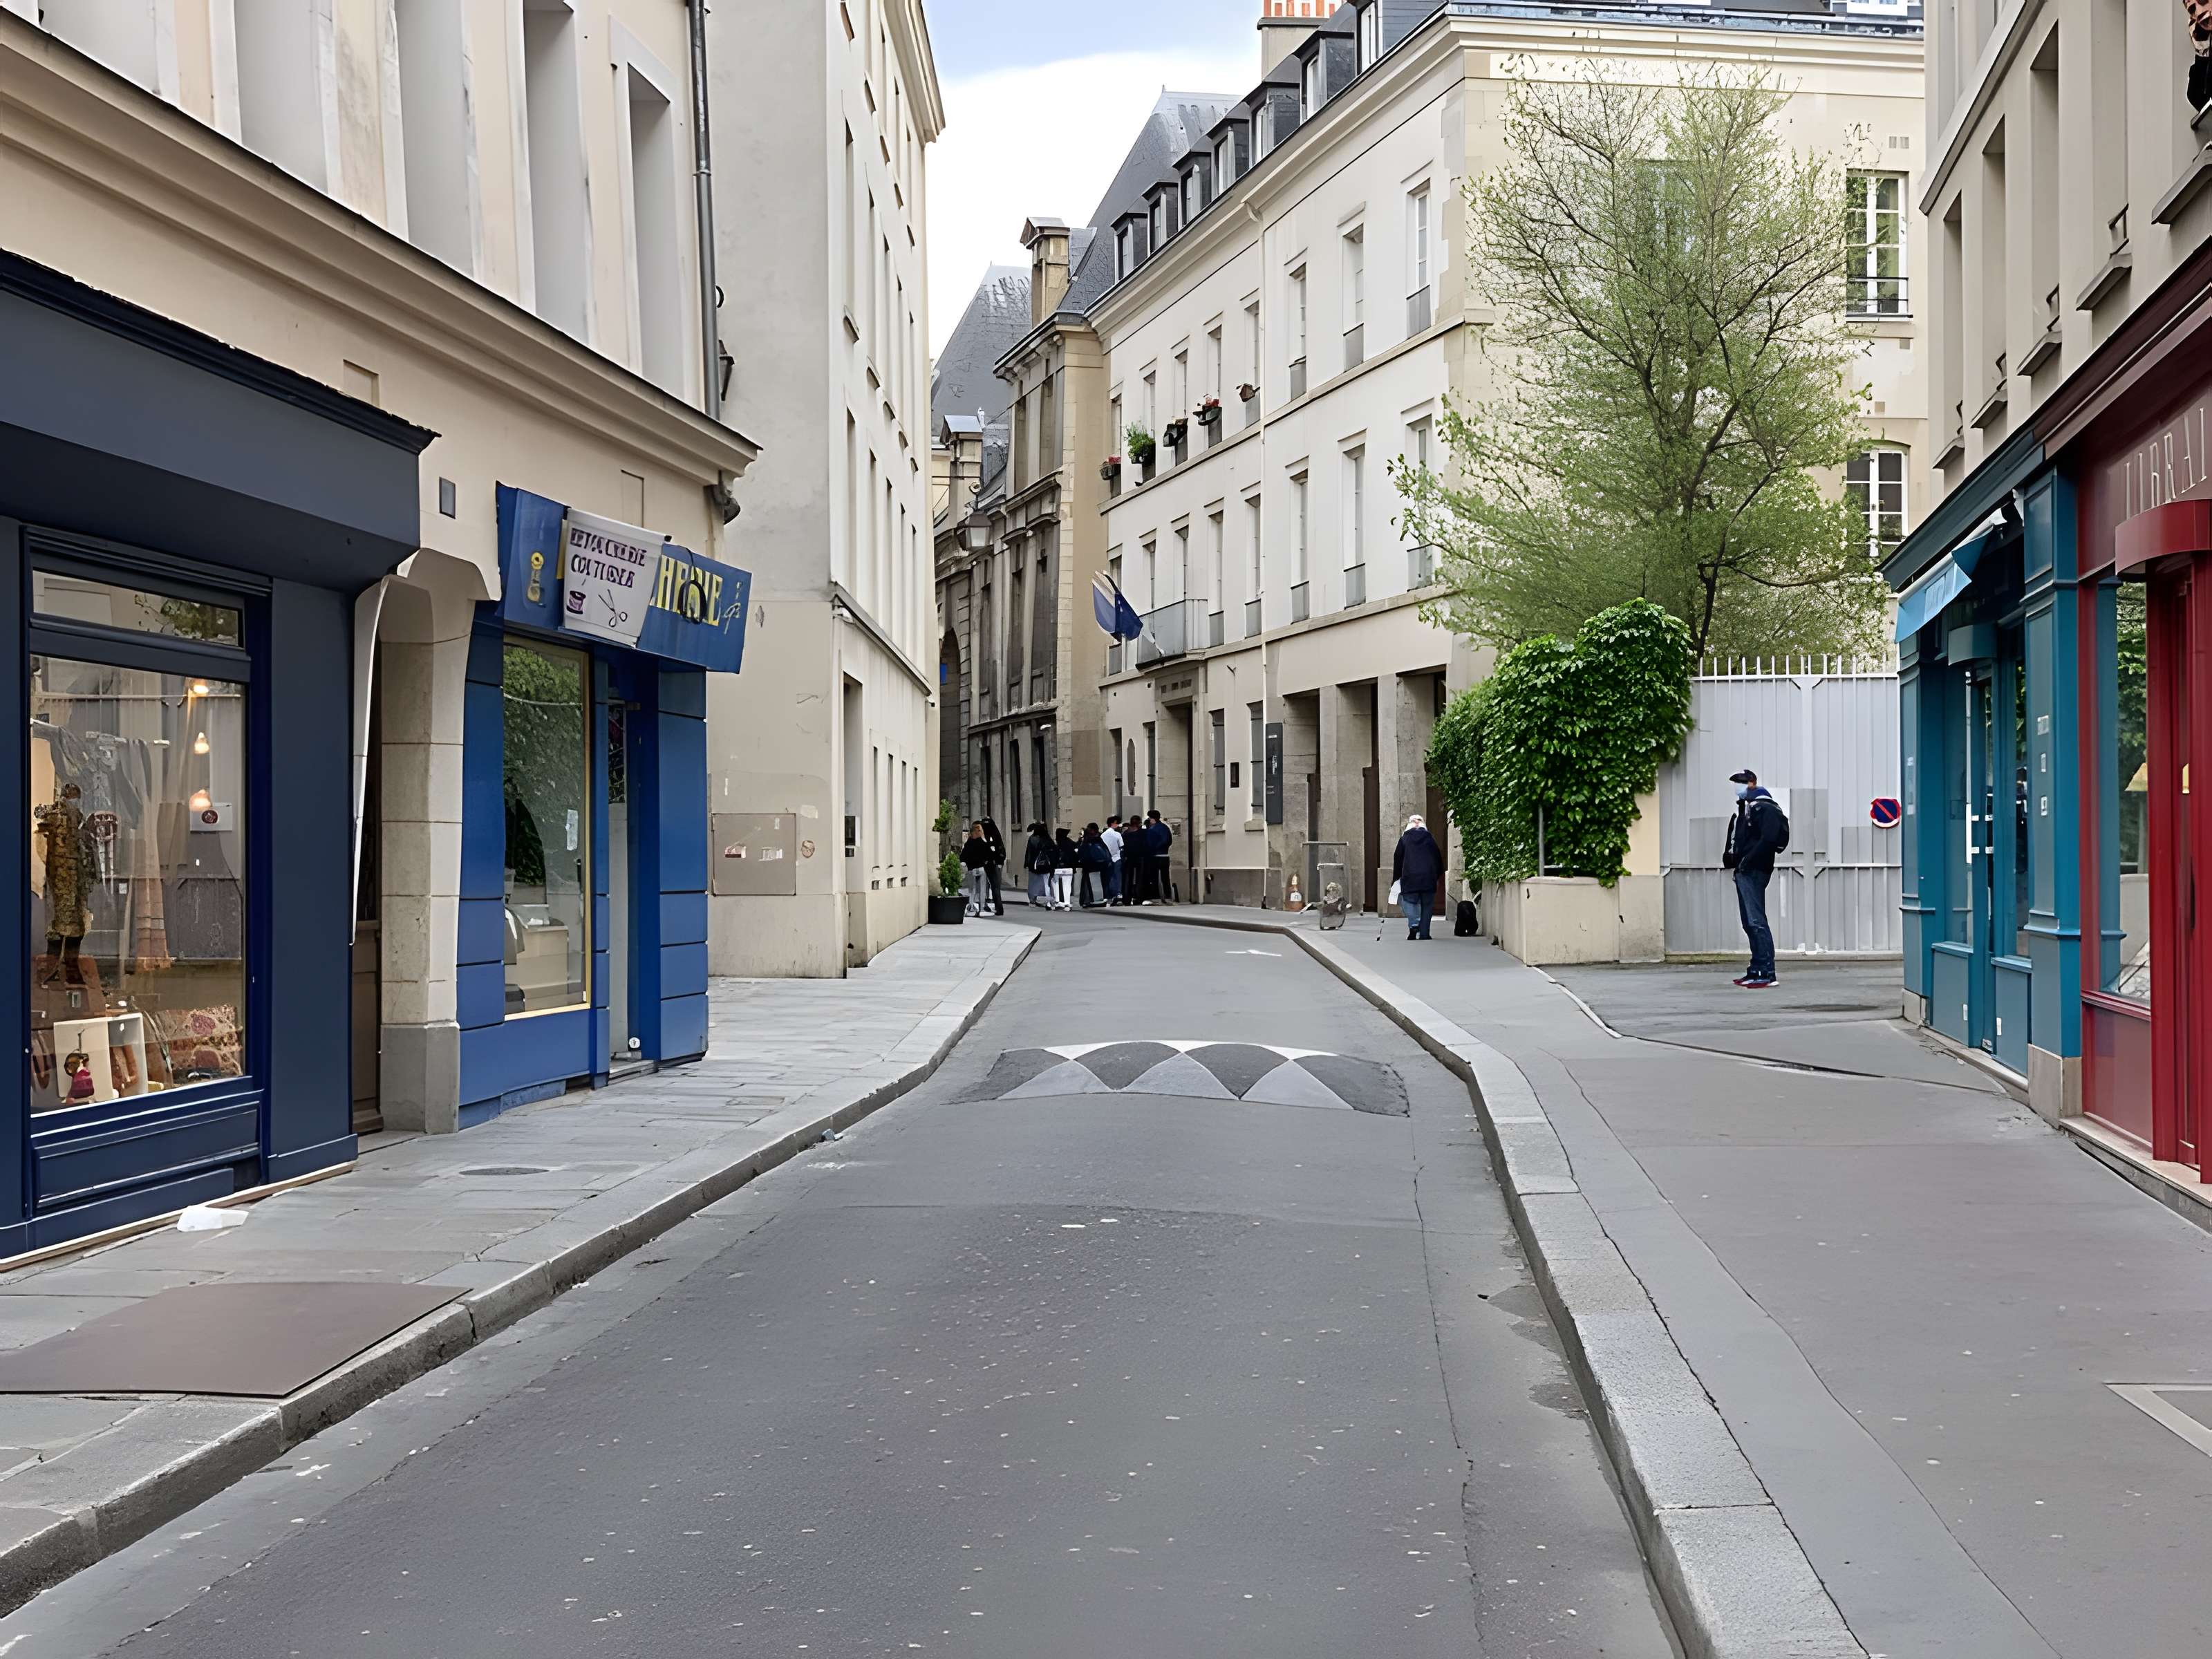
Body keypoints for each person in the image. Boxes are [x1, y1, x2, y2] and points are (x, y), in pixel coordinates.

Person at [1721, 767, 1790, 988]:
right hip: (1745, 871)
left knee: (1756, 922)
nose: (1737, 787)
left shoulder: (1765, 807)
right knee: (1750, 923)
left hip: (1754, 870)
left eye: (1740, 782)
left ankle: (1767, 973)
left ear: (1752, 783)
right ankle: (1756, 969)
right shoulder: (1747, 807)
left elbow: (1768, 840)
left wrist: (1746, 862)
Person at [1392, 813, 1445, 940]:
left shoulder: (1404, 839)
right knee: (1427, 906)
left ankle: (1414, 925)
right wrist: (1436, 876)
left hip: (1410, 878)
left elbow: (1398, 859)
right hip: (1428, 878)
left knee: (1410, 902)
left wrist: (1396, 879)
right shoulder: (1430, 839)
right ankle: (1425, 934)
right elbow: (1438, 859)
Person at [959, 823, 995, 916]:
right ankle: (977, 906)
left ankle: (976, 906)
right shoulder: (977, 842)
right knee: (977, 889)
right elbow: (989, 854)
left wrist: (964, 862)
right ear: (975, 832)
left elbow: (963, 855)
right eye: (979, 831)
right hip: (977, 868)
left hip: (975, 868)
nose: (981, 832)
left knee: (976, 889)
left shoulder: (972, 843)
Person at [1143, 809, 1174, 903]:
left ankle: (1157, 896)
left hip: (1155, 856)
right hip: (1165, 855)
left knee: (1154, 878)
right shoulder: (1165, 828)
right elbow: (1168, 841)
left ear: (1153, 819)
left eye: (1150, 818)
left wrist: (1153, 849)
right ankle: (1167, 896)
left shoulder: (1154, 829)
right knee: (1165, 878)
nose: (1150, 820)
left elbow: (1152, 842)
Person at [979, 817, 1006, 917]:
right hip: (994, 863)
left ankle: (984, 906)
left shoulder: (984, 835)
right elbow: (1001, 849)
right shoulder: (995, 835)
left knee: (985, 886)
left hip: (988, 863)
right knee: (995, 887)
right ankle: (997, 908)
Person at [1078, 825, 1110, 908]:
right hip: (1101, 865)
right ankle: (1100, 899)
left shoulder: (1087, 840)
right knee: (1100, 883)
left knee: (1088, 883)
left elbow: (1082, 852)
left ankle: (1089, 900)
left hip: (1089, 865)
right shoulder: (1100, 839)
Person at [1023, 822, 1053, 907]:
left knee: (1033, 883)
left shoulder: (1032, 839)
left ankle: (1033, 899)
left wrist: (1027, 863)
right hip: (1045, 865)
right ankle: (1044, 899)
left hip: (1033, 864)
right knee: (1044, 882)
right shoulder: (1047, 839)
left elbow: (1028, 852)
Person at [1050, 828, 1080, 910]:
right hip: (1069, 868)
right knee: (1067, 885)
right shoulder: (1070, 843)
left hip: (1058, 868)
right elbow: (1075, 855)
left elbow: (1053, 857)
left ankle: (1058, 901)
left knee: (1057, 885)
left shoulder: (1056, 844)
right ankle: (1067, 902)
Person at [1101, 816, 1126, 906]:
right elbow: (1122, 847)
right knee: (1118, 877)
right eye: (1117, 823)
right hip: (1117, 858)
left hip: (1107, 859)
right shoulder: (1118, 835)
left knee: (1109, 878)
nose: (1119, 825)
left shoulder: (1103, 835)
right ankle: (1118, 894)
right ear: (1113, 823)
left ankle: (1109, 896)